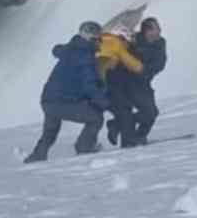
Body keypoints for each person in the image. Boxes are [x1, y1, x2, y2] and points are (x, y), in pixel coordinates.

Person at [23, 21, 110, 164]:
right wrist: (105, 102)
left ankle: (37, 156)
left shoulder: (70, 49)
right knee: (96, 118)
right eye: (97, 39)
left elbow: (57, 51)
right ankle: (84, 148)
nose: (99, 42)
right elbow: (90, 86)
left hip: (48, 101)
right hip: (64, 102)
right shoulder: (85, 56)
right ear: (91, 39)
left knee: (50, 131)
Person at [107, 17, 166, 147]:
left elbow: (159, 64)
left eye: (158, 30)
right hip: (126, 83)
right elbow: (121, 61)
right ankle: (132, 141)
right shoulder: (133, 42)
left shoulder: (160, 44)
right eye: (153, 31)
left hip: (143, 83)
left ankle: (121, 127)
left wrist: (144, 69)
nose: (157, 34)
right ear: (145, 32)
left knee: (151, 113)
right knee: (133, 114)